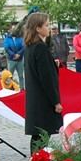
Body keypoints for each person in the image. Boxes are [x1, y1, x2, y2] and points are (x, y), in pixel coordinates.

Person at [22, 11, 61, 150]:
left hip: (35, 101)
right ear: (38, 28)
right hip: (43, 102)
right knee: (41, 140)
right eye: (46, 25)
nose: (49, 28)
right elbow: (46, 78)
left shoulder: (30, 47)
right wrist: (56, 101)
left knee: (38, 139)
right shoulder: (40, 47)